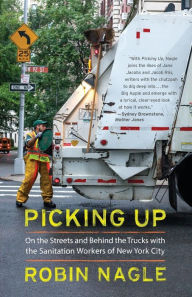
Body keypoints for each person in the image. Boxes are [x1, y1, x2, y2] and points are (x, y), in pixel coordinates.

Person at [16, 120, 56, 208]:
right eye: (43, 125)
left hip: (44, 159)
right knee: (30, 178)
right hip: (32, 158)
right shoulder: (30, 135)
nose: (45, 127)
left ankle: (47, 200)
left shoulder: (46, 136)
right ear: (37, 126)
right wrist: (37, 137)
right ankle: (20, 199)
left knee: (47, 179)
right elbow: (29, 144)